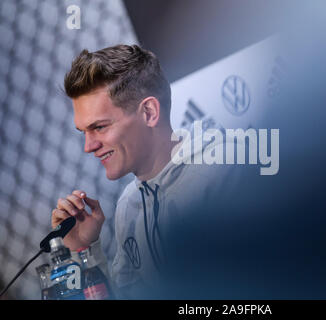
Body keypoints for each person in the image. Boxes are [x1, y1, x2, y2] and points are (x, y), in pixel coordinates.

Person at [51, 44, 244, 299]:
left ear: (149, 112)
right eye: (84, 132)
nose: (89, 146)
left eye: (99, 127)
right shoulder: (128, 208)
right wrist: (87, 249)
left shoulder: (223, 170)